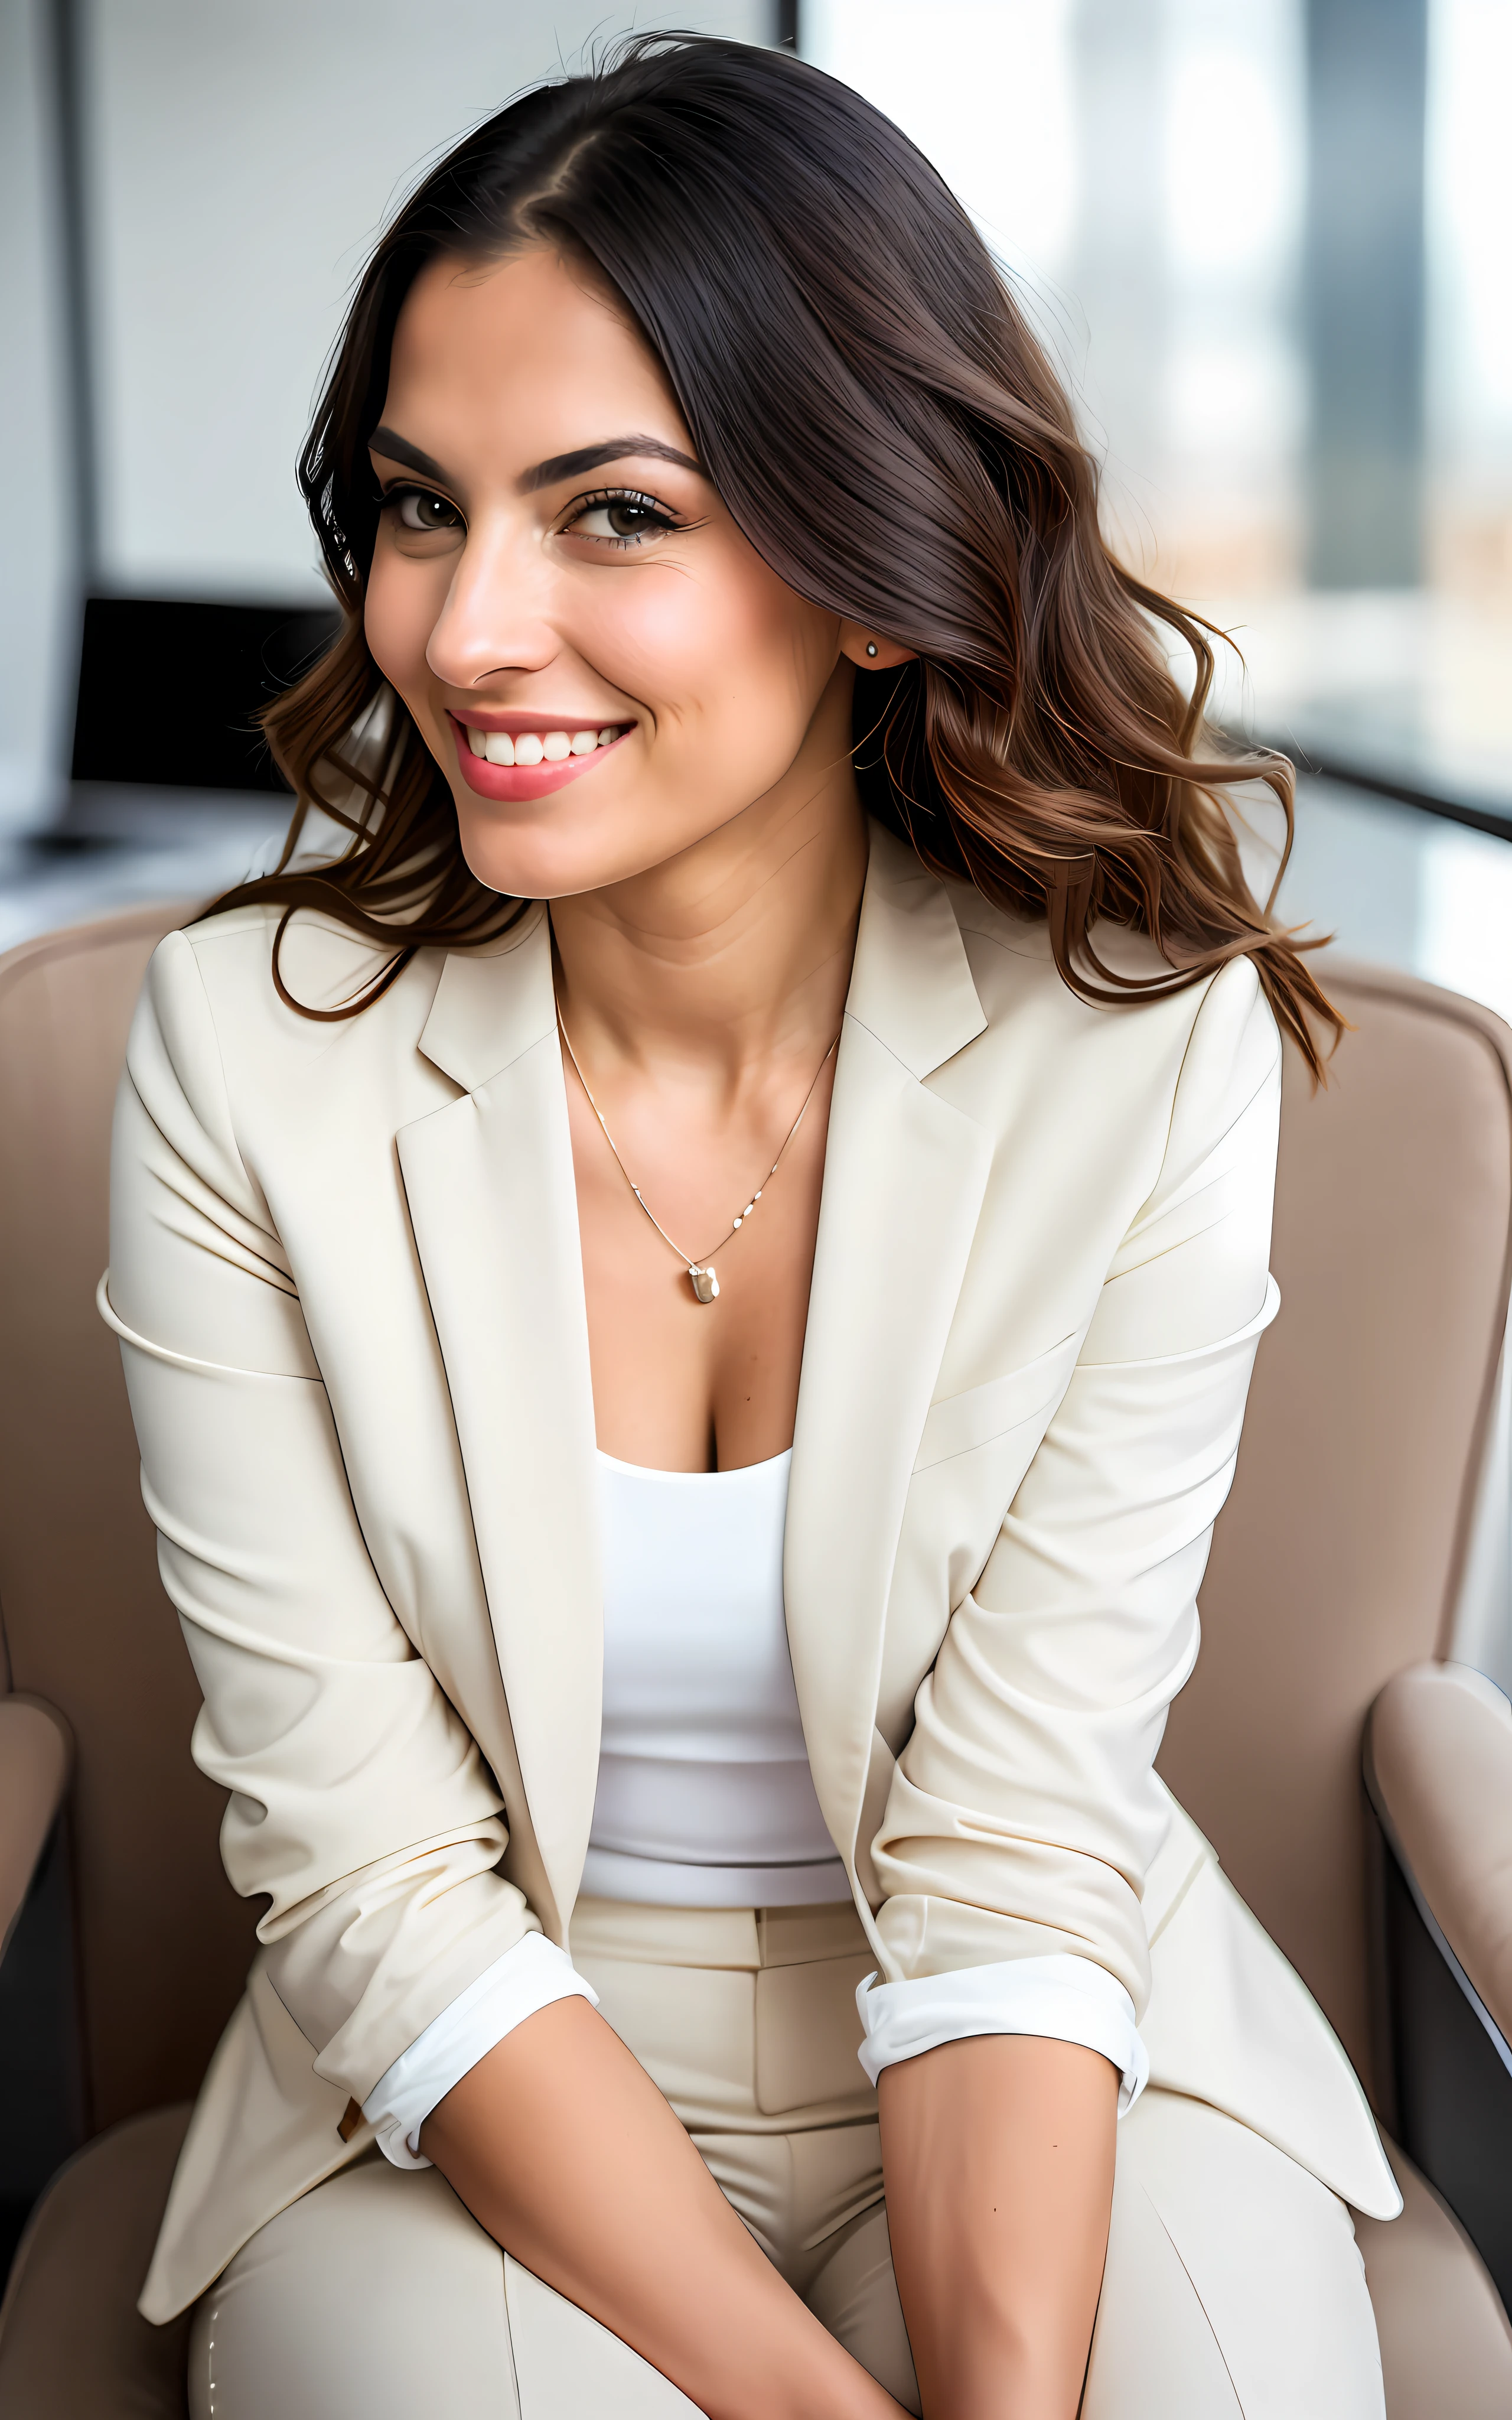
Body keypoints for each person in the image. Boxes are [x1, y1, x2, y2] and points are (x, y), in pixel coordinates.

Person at [105, 34, 1399, 2419]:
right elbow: (373, 1877)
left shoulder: (1136, 1052)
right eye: (418, 508)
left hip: (1037, 2023)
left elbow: (1016, 1841)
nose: (470, 631)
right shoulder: (243, 1063)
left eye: (611, 515)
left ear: (875, 569)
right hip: (477, 2071)